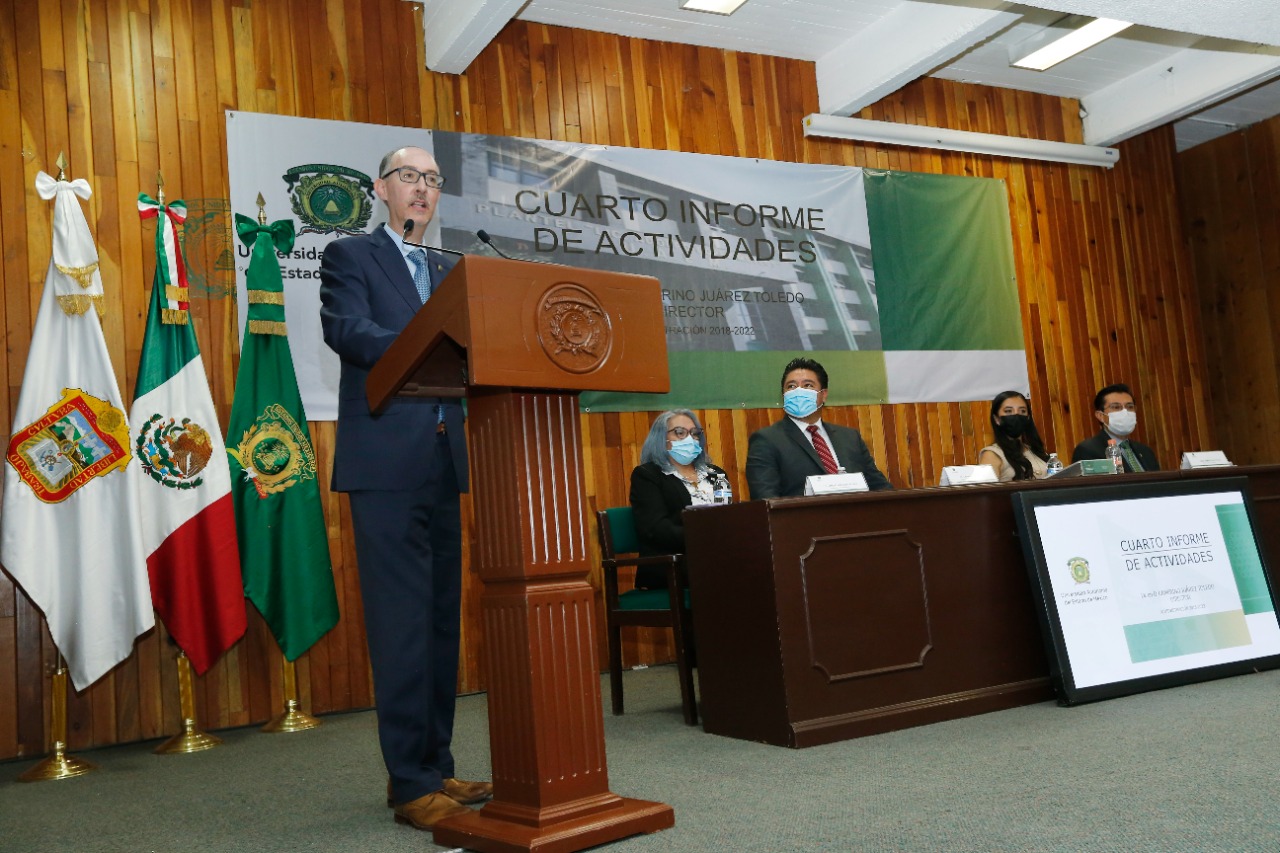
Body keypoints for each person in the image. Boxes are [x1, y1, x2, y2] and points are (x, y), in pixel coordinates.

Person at [319, 146, 491, 831]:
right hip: (386, 463)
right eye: (410, 177)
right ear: (381, 189)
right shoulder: (350, 255)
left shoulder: (452, 268)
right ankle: (410, 783)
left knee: (440, 621)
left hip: (446, 459)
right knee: (401, 624)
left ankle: (436, 764)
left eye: (432, 180)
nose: (422, 188)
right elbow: (347, 329)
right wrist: (426, 343)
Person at [745, 357, 892, 499]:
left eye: (808, 385)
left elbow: (880, 487)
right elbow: (765, 498)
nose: (798, 391)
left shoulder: (850, 438)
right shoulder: (767, 440)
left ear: (824, 395)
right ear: (783, 395)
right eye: (791, 386)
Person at [629, 410, 729, 588]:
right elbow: (656, 528)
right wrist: (702, 538)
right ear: (661, 438)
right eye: (680, 432)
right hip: (672, 563)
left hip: (716, 556)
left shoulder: (716, 474)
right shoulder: (647, 475)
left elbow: (727, 515)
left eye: (695, 433)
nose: (690, 439)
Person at [1071, 382, 1160, 472]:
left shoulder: (1146, 451)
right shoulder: (1088, 450)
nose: (1125, 412)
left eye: (1130, 407)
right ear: (1100, 416)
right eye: (1116, 407)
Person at [978, 391, 1051, 482]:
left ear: (1028, 417)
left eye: (1022, 411)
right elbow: (985, 490)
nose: (1016, 415)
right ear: (996, 419)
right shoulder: (992, 454)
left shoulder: (1035, 451)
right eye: (1008, 411)